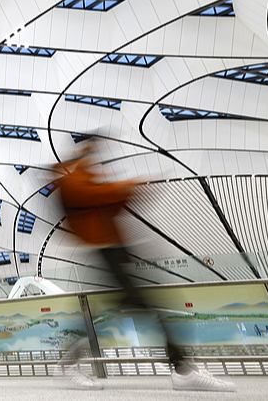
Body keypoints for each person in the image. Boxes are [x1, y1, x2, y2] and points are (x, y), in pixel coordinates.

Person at [54, 140, 234, 392]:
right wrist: (128, 187)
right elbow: (93, 196)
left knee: (114, 311)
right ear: (83, 150)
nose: (96, 154)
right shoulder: (74, 178)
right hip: (105, 253)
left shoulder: (89, 176)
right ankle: (182, 368)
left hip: (114, 253)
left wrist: (126, 193)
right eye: (92, 148)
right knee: (146, 305)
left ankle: (68, 362)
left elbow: (107, 205)